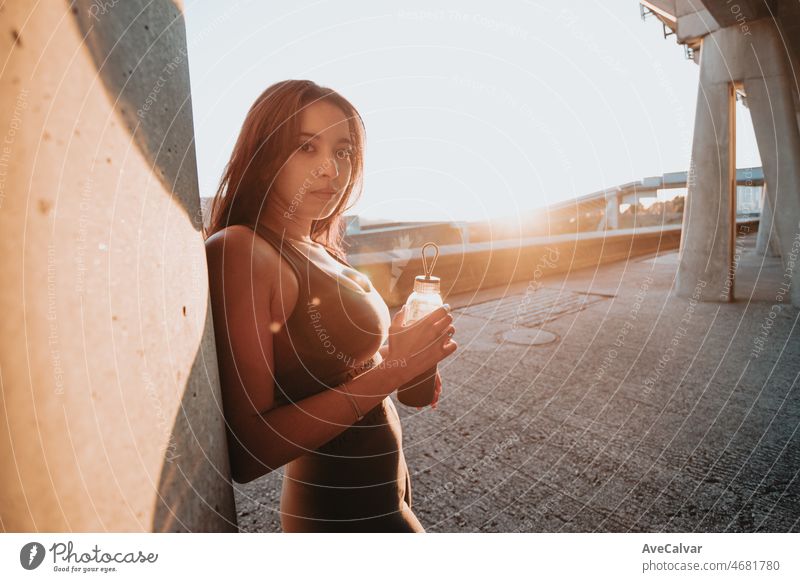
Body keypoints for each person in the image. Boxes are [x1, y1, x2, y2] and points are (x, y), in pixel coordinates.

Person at [204, 80, 457, 532]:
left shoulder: (316, 246)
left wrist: (403, 353)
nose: (331, 170)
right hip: (338, 517)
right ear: (263, 158)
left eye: (343, 151)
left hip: (388, 498)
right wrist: (393, 370)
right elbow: (250, 451)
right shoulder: (241, 251)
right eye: (306, 147)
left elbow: (332, 369)